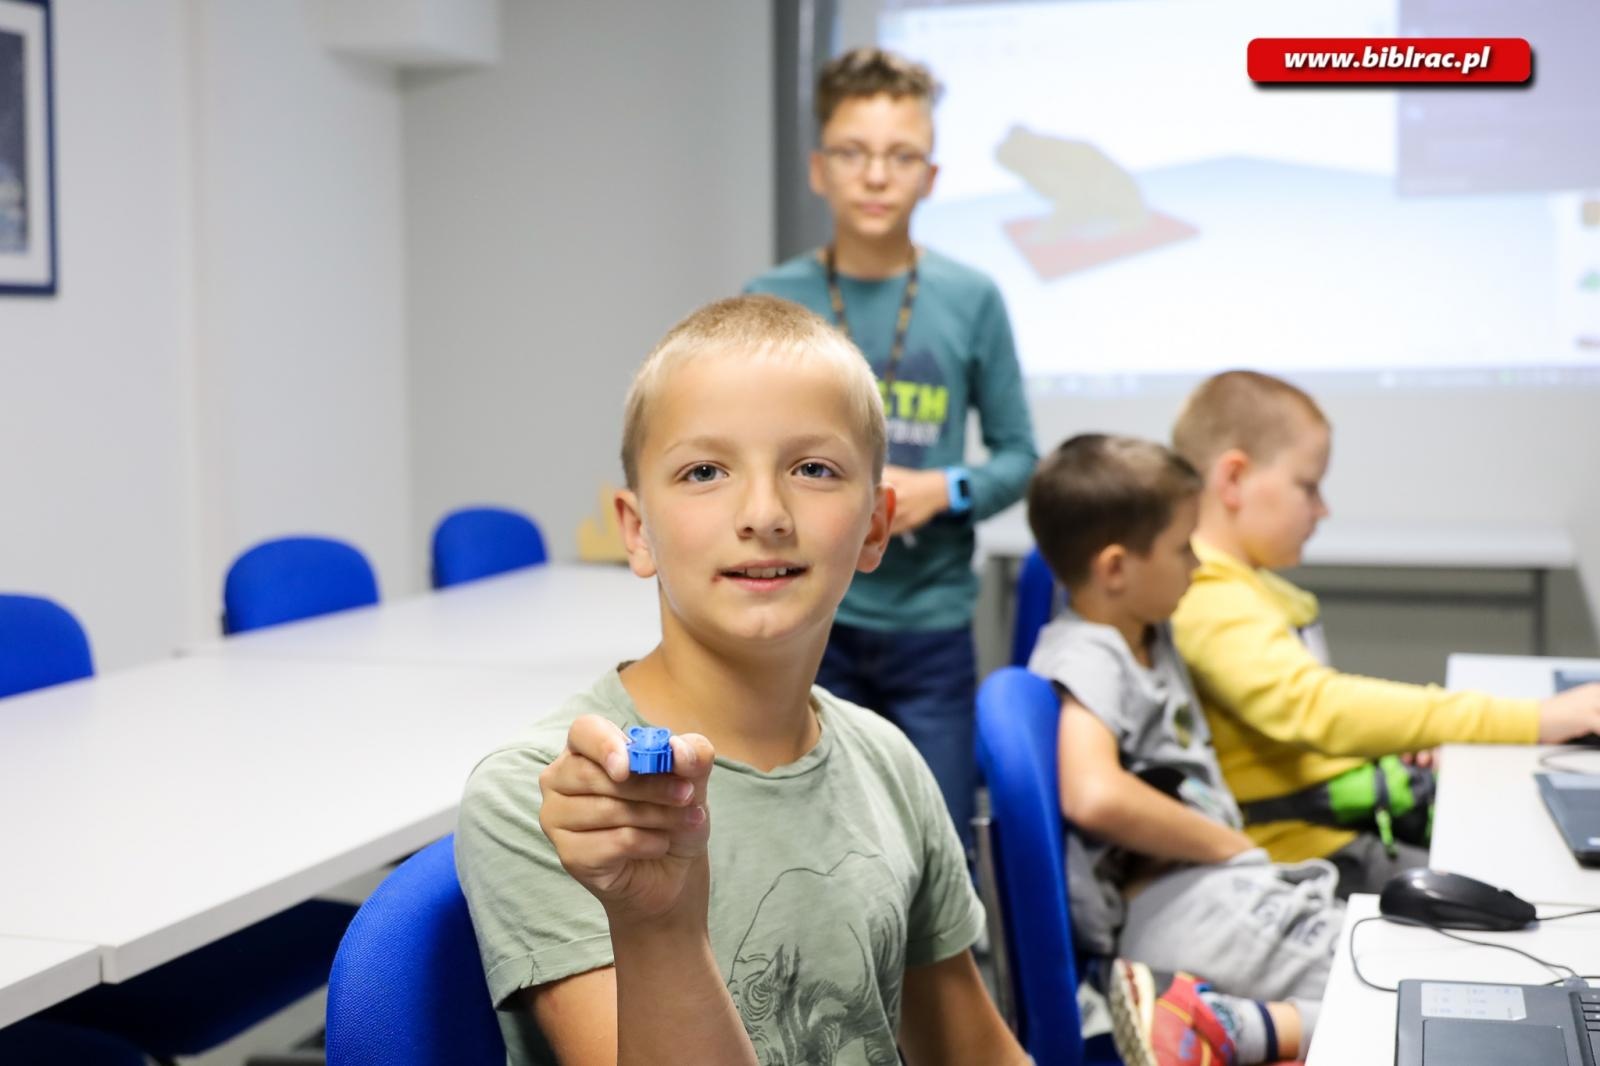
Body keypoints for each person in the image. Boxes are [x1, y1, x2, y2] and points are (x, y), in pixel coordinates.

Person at [456, 295, 1029, 1066]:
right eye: (704, 471)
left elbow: (976, 1054)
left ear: (876, 526)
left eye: (815, 469)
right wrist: (657, 923)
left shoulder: (887, 761)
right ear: (637, 530)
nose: (764, 513)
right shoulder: (562, 800)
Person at [745, 47, 1037, 849]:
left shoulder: (970, 298)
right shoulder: (771, 299)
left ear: (930, 176)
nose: (876, 175)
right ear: (818, 169)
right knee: (802, 849)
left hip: (929, 625)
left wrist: (943, 489)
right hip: (805, 620)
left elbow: (1019, 456)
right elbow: (742, 457)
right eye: (853, 153)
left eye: (900, 156)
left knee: (932, 852)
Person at [1170, 369, 1600, 894]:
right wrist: (1537, 718)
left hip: (1340, 826)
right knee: (1537, 888)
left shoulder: (1246, 587)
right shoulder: (1208, 595)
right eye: (1308, 486)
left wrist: (1398, 741)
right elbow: (1318, 711)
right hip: (1305, 855)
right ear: (1233, 479)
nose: (1322, 508)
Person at [1027, 433, 1335, 1066]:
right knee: (1387, 990)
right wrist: (1227, 846)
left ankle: (1235, 1025)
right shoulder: (1088, 651)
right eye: (1181, 549)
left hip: (1202, 890)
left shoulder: (1145, 627)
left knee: (1377, 974)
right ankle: (1212, 1022)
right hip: (1170, 905)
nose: (1197, 565)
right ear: (1115, 569)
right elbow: (1093, 792)